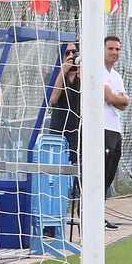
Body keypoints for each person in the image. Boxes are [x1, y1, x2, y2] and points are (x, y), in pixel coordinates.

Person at [48, 43, 82, 215]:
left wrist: (80, 71)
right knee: (56, 173)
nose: (71, 55)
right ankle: (55, 210)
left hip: (77, 132)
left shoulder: (82, 75)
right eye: (67, 52)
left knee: (79, 171)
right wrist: (63, 71)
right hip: (58, 130)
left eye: (73, 52)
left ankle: (80, 209)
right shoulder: (55, 75)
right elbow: (53, 100)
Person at [101, 35, 130, 230]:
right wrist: (119, 99)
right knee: (99, 173)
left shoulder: (117, 76)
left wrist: (119, 99)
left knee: (109, 175)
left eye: (117, 49)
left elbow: (124, 104)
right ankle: (90, 216)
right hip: (101, 129)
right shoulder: (98, 71)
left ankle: (99, 214)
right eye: (110, 48)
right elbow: (111, 98)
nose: (114, 52)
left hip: (115, 129)